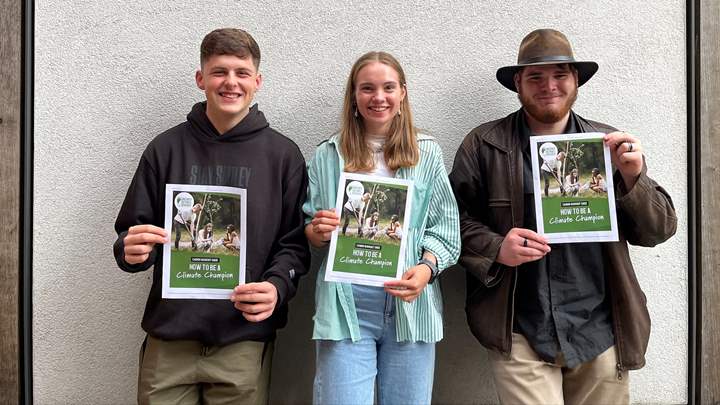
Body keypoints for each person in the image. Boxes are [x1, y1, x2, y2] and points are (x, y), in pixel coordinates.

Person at [449, 29, 677, 405]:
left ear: (576, 82)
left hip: (600, 328)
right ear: (518, 83)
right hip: (521, 327)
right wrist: (496, 247)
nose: (548, 86)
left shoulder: (608, 144)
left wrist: (633, 177)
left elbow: (659, 230)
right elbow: (451, 222)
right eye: (535, 77)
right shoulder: (483, 144)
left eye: (559, 75)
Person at [113, 28, 309, 404]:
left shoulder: (283, 156)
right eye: (219, 71)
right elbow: (132, 233)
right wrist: (130, 249)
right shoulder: (165, 148)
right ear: (201, 79)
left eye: (241, 72)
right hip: (170, 337)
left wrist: (277, 287)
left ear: (257, 81)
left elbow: (294, 244)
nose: (230, 82)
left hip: (242, 338)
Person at [303, 51, 460, 405]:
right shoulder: (328, 154)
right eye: (368, 88)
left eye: (388, 87)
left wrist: (426, 268)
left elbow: (446, 227)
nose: (379, 97)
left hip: (409, 306)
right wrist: (318, 230)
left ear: (402, 93)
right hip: (345, 308)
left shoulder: (427, 153)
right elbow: (309, 229)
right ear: (354, 96)